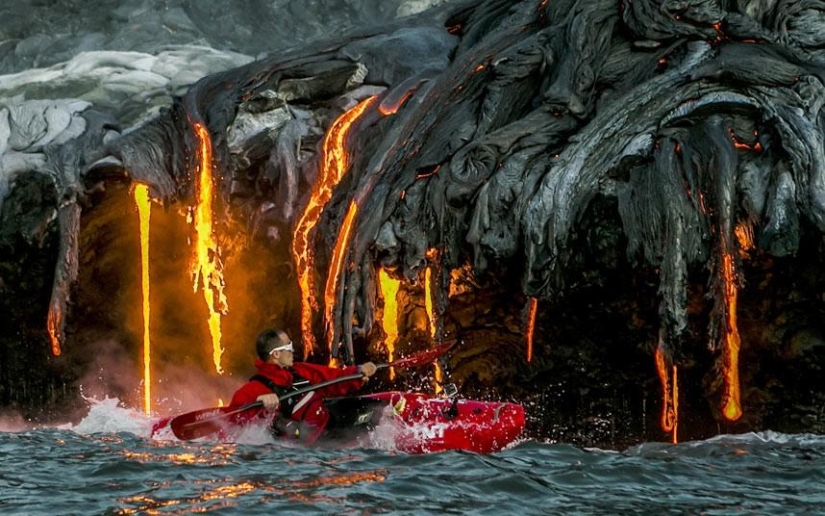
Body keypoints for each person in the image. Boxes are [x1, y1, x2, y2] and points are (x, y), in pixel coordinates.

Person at [230, 328, 377, 443]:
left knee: (376, 410)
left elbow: (334, 378)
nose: (293, 350)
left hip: (328, 425)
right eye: (289, 346)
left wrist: (359, 372)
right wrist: (259, 402)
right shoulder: (252, 390)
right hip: (302, 445)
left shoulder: (300, 370)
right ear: (276, 354)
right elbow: (234, 420)